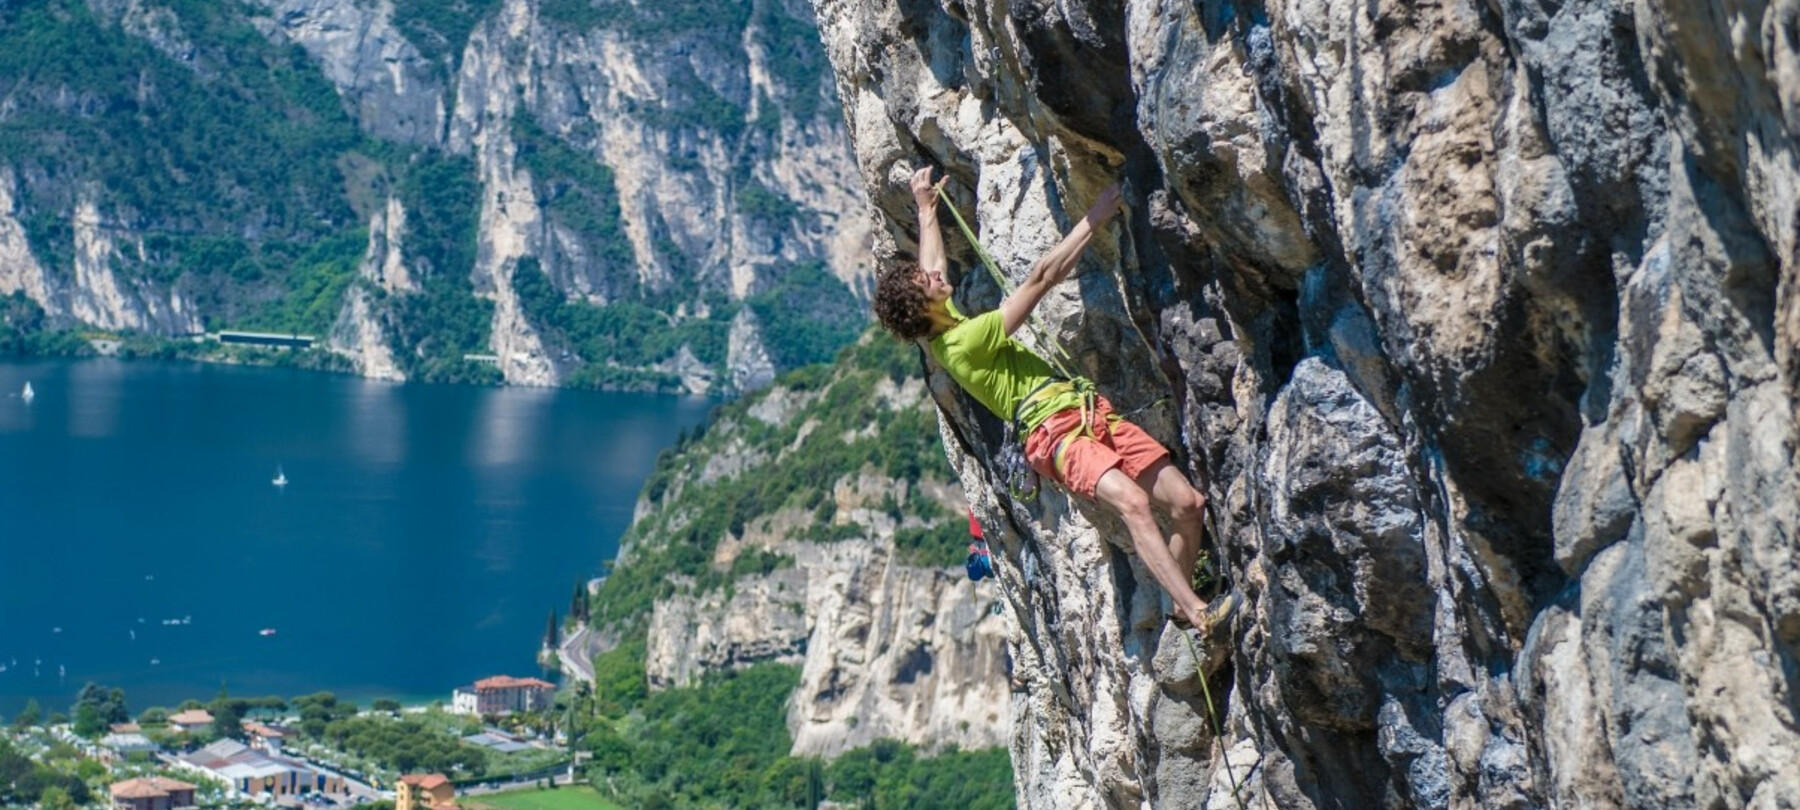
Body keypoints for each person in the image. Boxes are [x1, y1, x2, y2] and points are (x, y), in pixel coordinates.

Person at [873, 167, 1239, 635]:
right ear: (924, 305)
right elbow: (1043, 277)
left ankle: (1179, 609)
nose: (933, 276)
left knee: (1188, 504)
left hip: (1089, 414)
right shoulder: (964, 342)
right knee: (1132, 503)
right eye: (925, 282)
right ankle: (1196, 611)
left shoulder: (945, 323)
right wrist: (1095, 217)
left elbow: (935, 267)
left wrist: (926, 208)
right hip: (1058, 437)